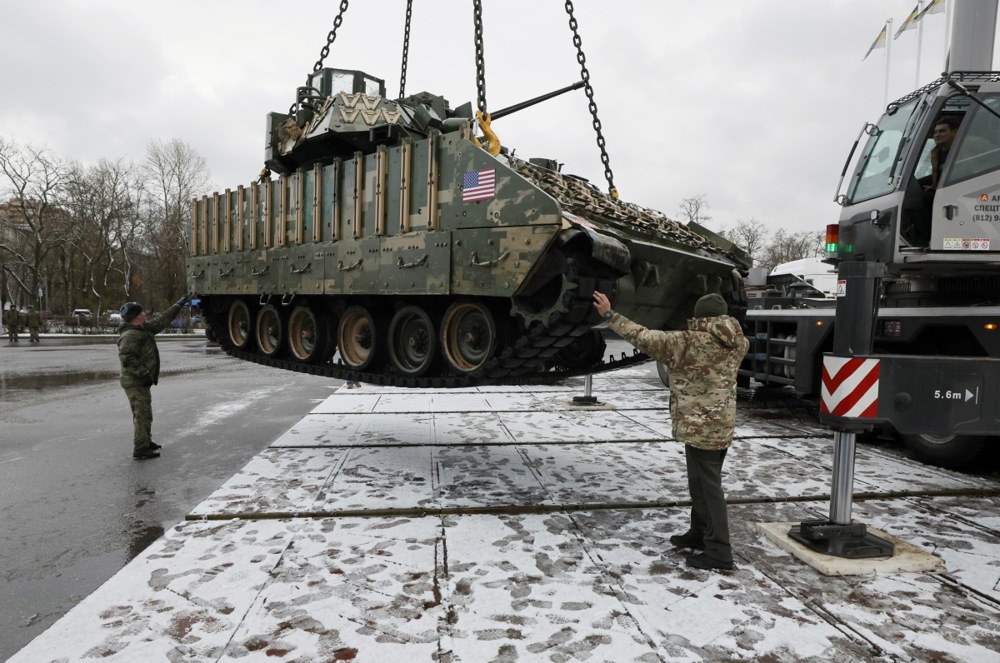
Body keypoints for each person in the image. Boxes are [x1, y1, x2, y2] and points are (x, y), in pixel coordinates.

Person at [593, 290, 749, 571]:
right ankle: (699, 534)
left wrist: (609, 314)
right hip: (718, 425)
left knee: (709, 488)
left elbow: (644, 337)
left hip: (699, 426)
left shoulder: (688, 342)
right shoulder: (738, 343)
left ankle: (720, 551)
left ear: (699, 317)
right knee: (700, 484)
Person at [117, 295, 190, 459]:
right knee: (141, 414)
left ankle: (145, 440)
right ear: (136, 317)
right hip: (135, 381)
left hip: (141, 381)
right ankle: (141, 449)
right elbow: (127, 359)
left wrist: (178, 305)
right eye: (142, 312)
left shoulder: (143, 329)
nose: (145, 314)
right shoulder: (130, 335)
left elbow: (162, 320)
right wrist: (144, 374)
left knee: (145, 412)